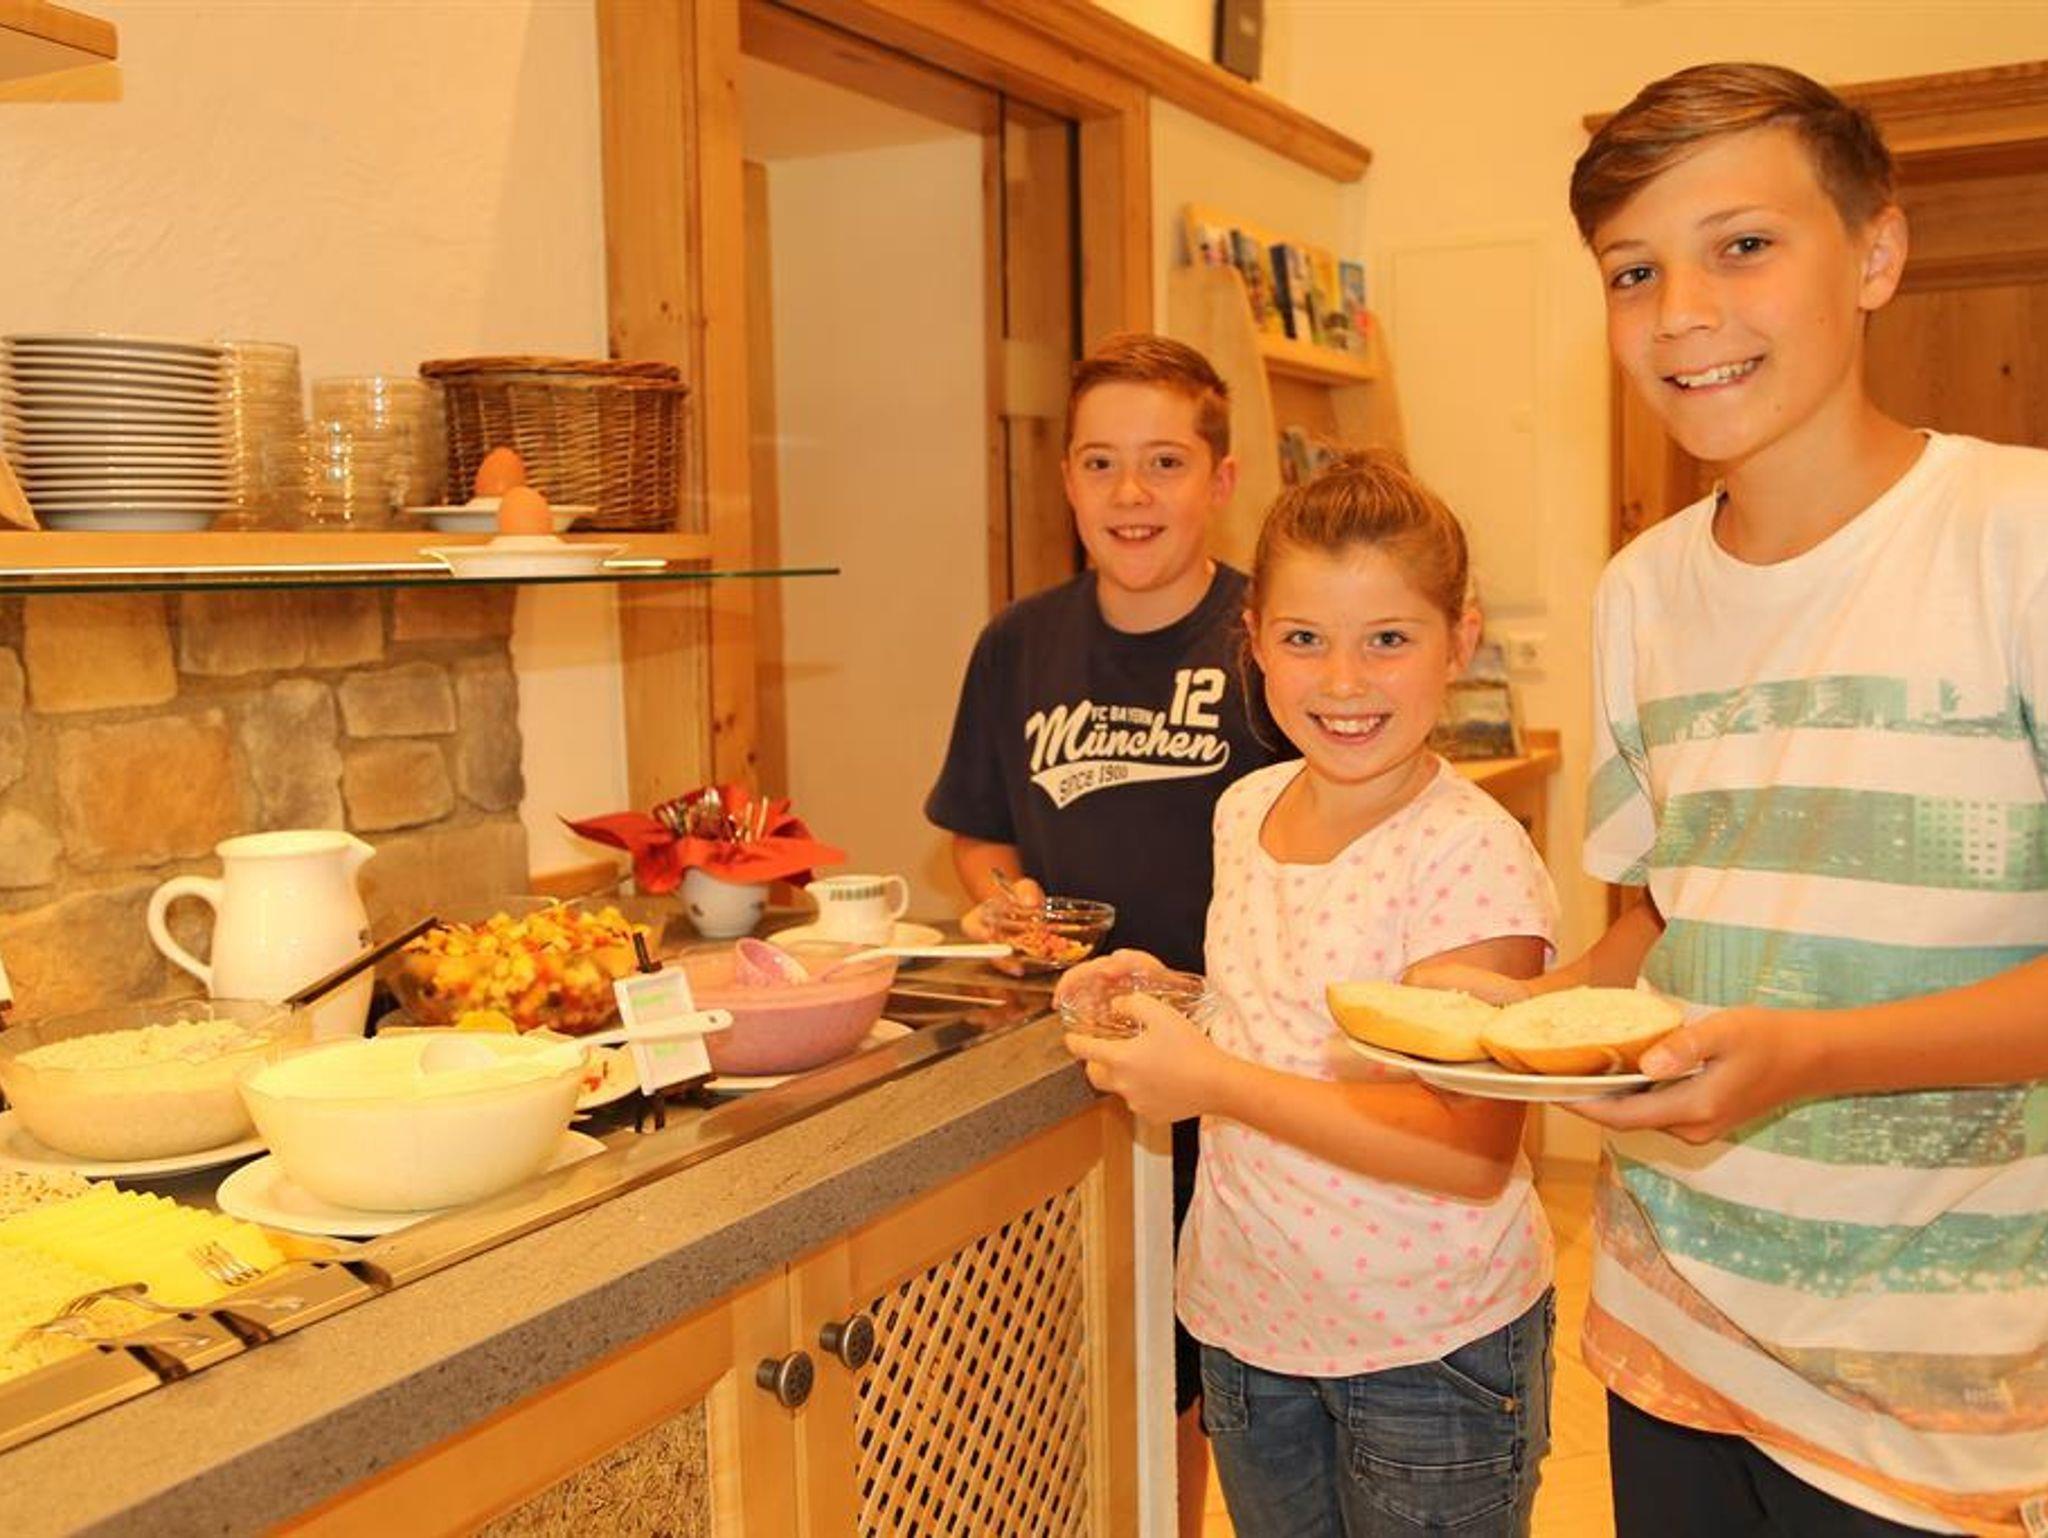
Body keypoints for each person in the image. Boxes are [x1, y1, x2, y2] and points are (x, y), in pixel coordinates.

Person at [1412, 62, 2048, 1537]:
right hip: (1671, 1320)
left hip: (1939, 1388)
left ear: (1875, 254)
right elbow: (1665, 915)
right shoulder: (1641, 591)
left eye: (1742, 245)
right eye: (1632, 271)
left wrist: (1807, 1057)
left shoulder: (2016, 539)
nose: (1680, 311)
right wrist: (1526, 1025)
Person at [1062, 451, 1561, 1536]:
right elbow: (1281, 1009)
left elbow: (1468, 1149)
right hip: (1248, 1324)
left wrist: (1213, 1083)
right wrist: (1174, 997)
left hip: (1428, 1349)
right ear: (1252, 638)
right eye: (1302, 639)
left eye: (1387, 639)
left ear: (1459, 640)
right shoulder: (1244, 806)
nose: (1341, 680)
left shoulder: (1469, 857)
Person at [924, 332, 1285, 1535]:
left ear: (1220, 479)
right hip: (1073, 1074)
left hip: (1234, 1075)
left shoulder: (1272, 638)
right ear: (1066, 481)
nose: (1130, 492)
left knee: (1213, 1381)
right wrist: (1006, 897)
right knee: (1100, 1365)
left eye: (1164, 461)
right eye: (1099, 462)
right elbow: (978, 835)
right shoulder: (1015, 644)